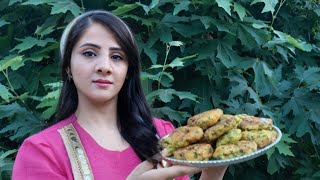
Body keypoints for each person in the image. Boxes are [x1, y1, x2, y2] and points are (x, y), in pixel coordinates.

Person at [12, 10, 227, 180]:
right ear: (67, 66)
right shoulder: (42, 152)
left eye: (117, 57)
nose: (104, 66)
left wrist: (212, 174)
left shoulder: (162, 134)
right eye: (89, 53)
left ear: (127, 71)